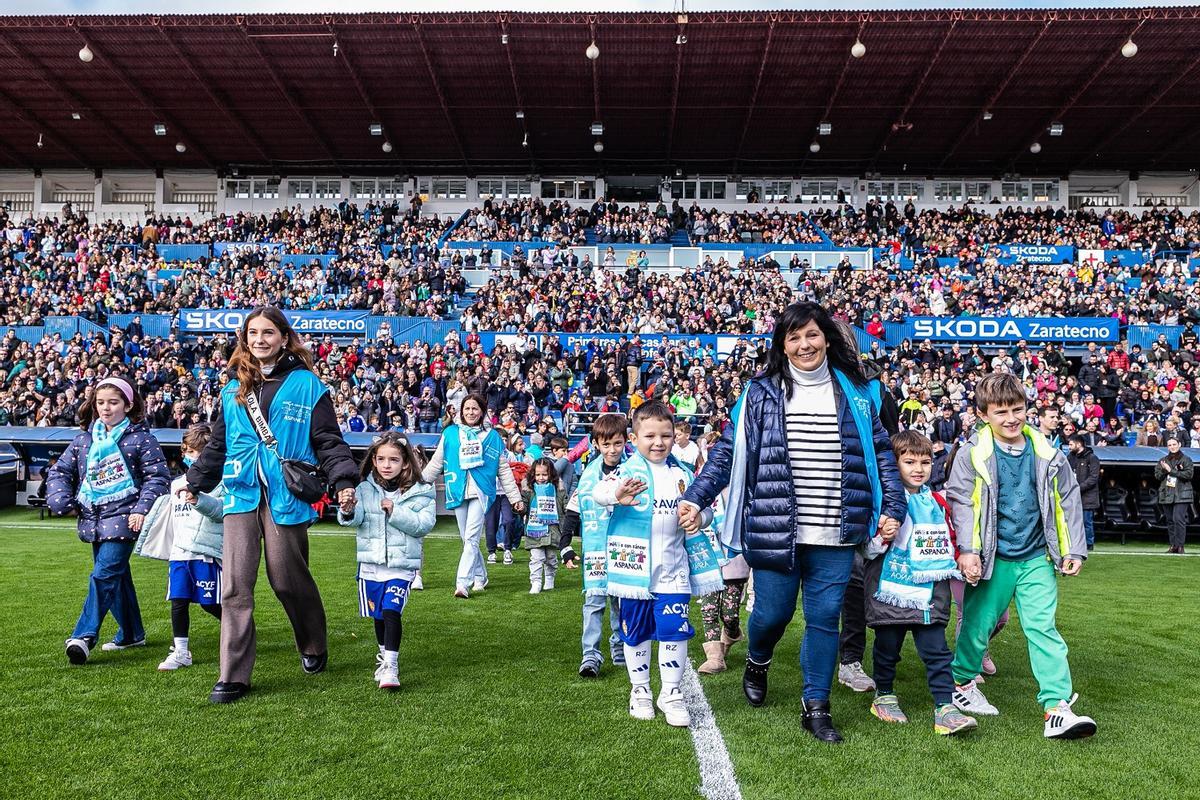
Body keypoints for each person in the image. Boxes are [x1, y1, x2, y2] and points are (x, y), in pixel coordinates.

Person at [681, 301, 907, 744]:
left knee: (824, 618)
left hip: (837, 528)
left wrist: (893, 507)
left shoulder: (857, 392)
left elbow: (882, 452)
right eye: (794, 337)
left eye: (812, 334)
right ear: (782, 345)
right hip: (774, 527)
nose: (805, 344)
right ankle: (758, 659)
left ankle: (816, 705)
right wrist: (696, 496)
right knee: (772, 614)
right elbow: (727, 451)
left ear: (827, 339)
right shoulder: (760, 393)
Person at [184, 306, 359, 704]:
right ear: (244, 339)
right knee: (235, 586)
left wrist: (344, 480)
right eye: (252, 333)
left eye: (268, 332)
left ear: (283, 337)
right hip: (240, 492)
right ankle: (233, 676)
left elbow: (328, 440)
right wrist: (195, 481)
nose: (259, 339)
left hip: (287, 492)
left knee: (286, 579)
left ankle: (313, 643)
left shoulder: (308, 385)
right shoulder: (233, 388)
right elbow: (219, 444)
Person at [945, 373, 1097, 739]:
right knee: (978, 625)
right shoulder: (970, 455)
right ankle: (962, 683)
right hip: (993, 558)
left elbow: (1067, 501)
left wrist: (1073, 549)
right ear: (983, 415)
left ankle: (1056, 708)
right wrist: (969, 551)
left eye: (1018, 409)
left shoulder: (1049, 454)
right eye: (1001, 412)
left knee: (1043, 629)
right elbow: (962, 503)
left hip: (1036, 558)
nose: (1011, 418)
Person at [594, 401, 723, 727]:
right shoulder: (626, 473)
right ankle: (640, 690)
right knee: (636, 634)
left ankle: (671, 692)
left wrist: (700, 517)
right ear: (634, 438)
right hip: (633, 572)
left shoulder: (683, 474)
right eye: (650, 436)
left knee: (673, 632)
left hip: (674, 570)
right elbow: (599, 492)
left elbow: (708, 507)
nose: (658, 442)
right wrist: (617, 495)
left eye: (666, 435)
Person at [863, 431, 977, 736]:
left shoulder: (937, 502)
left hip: (930, 592)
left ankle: (945, 707)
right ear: (894, 463)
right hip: (890, 591)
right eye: (910, 461)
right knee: (887, 648)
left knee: (937, 650)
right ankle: (884, 696)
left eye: (925, 462)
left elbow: (950, 541)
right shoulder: (882, 501)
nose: (918, 468)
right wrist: (881, 536)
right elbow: (866, 550)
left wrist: (964, 562)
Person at [50, 376, 170, 665]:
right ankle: (131, 634)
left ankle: (83, 636)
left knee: (103, 576)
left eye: (113, 403)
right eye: (100, 402)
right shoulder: (83, 439)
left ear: (128, 406)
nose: (105, 408)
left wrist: (141, 509)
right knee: (116, 578)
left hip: (126, 518)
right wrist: (61, 500)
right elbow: (60, 472)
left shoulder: (142, 439)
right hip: (93, 519)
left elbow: (157, 478)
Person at [338, 432, 436, 690]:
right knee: (379, 615)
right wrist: (347, 510)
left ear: (405, 462)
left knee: (392, 610)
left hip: (401, 566)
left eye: (393, 459)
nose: (386, 465)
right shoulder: (363, 488)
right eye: (381, 459)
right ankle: (384, 656)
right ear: (373, 460)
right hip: (371, 566)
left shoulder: (422, 490)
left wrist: (395, 510)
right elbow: (356, 519)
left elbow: (424, 525)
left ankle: (392, 666)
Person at [136, 423, 225, 671]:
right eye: (187, 451)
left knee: (209, 603)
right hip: (180, 553)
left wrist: (199, 500)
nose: (190, 456)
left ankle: (239, 628)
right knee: (178, 600)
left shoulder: (221, 481)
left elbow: (221, 513)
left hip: (205, 553)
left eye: (196, 452)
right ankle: (181, 651)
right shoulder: (176, 484)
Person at [421, 393, 524, 598]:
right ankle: (480, 575)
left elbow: (503, 470)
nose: (470, 412)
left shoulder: (493, 437)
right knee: (467, 539)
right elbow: (436, 463)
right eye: (467, 408)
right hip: (457, 489)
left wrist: (515, 498)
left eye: (475, 408)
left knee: (471, 537)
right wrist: (418, 485)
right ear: (461, 411)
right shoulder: (450, 433)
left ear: (482, 411)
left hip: (481, 491)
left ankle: (462, 583)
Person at [571, 412, 631, 678]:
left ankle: (620, 648)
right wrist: (566, 545)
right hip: (596, 548)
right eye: (606, 444)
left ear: (626, 441)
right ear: (596, 444)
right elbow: (574, 509)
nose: (612, 450)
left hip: (624, 546)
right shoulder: (588, 476)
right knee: (594, 602)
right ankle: (590, 656)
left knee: (621, 602)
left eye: (617, 443)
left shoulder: (633, 470)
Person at [695, 486, 750, 676]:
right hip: (707, 557)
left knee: (729, 615)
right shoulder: (702, 486)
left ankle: (732, 633)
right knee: (708, 610)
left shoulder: (741, 486)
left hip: (734, 558)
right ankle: (715, 658)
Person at [521, 457, 566, 594]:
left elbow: (565, 505)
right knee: (536, 558)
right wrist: (519, 507)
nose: (541, 478)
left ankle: (550, 577)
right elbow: (524, 506)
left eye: (544, 474)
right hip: (534, 531)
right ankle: (536, 582)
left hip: (552, 531)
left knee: (551, 558)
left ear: (551, 474)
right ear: (533, 474)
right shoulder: (529, 490)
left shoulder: (558, 489)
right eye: (538, 474)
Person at [1155, 435, 1193, 554]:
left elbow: (1189, 475)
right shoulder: (1163, 460)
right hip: (1167, 494)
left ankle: (1180, 546)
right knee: (1170, 521)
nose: (1172, 447)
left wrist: (1171, 470)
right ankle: (1173, 546)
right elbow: (1158, 476)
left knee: (1178, 519)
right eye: (1170, 445)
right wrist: (1164, 469)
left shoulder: (1186, 459)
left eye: (1174, 444)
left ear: (1179, 445)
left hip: (1182, 494)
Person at [1066, 434, 1101, 551]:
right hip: (1072, 496)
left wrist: (1078, 488)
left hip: (1087, 497)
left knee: (1086, 522)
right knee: (1072, 522)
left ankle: (1088, 544)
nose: (1069, 447)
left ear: (1079, 444)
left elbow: (1093, 478)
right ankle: (1075, 543)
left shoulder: (1092, 458)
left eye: (1071, 444)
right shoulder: (1070, 457)